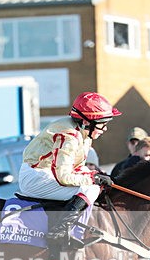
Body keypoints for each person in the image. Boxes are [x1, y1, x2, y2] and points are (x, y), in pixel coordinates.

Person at [18, 91, 120, 245]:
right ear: (86, 122)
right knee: (90, 189)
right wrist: (92, 178)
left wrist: (95, 175)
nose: (104, 128)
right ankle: (59, 231)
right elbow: (64, 177)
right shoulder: (70, 136)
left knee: (94, 185)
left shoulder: (83, 133)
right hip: (35, 177)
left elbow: (76, 168)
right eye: (102, 123)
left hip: (45, 173)